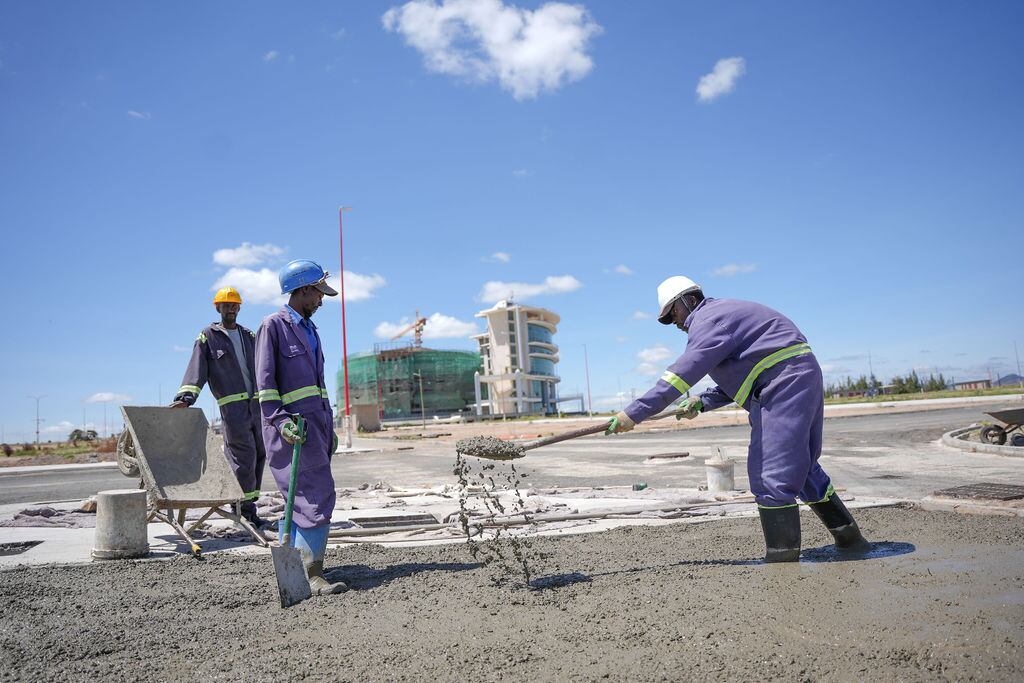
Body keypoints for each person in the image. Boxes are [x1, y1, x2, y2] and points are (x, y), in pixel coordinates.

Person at [606, 276, 871, 562]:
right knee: (802, 468)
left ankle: (782, 563)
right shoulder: (723, 317)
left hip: (782, 382)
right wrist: (702, 401)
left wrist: (632, 414)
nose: (676, 323)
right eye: (669, 320)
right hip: (794, 376)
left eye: (674, 313)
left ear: (690, 300)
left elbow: (679, 377)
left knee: (769, 472)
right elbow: (746, 372)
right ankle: (850, 540)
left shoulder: (707, 321)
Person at [255, 259, 345, 595]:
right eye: (318, 293)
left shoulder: (310, 331)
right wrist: (280, 423)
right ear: (302, 290)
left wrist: (328, 426)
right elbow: (264, 385)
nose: (321, 299)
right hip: (292, 429)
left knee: (301, 498)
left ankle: (294, 569)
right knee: (317, 495)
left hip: (316, 426)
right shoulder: (273, 326)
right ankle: (312, 574)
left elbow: (317, 387)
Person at [173, 287, 267, 529]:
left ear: (239, 307)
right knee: (243, 457)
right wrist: (186, 397)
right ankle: (239, 510)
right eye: (226, 305)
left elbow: (266, 367)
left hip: (256, 405)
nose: (231, 308)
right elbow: (197, 368)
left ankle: (249, 508)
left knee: (259, 453)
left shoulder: (249, 336)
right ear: (218, 308)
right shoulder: (208, 336)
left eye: (235, 305)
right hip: (232, 407)